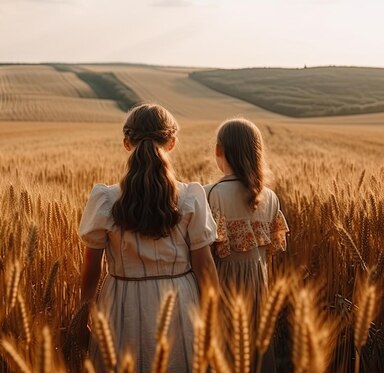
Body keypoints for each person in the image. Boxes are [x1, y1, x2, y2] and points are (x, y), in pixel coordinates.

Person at [78, 103, 219, 372]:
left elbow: (91, 267)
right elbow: (205, 266)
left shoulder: (105, 199)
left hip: (121, 300)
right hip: (179, 300)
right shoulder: (191, 196)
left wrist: (82, 313)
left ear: (126, 143)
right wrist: (216, 314)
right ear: (172, 142)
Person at [204, 118, 289, 359]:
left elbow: (203, 250)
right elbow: (271, 251)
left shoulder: (210, 194)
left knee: (224, 353)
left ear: (219, 151)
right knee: (253, 350)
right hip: (258, 286)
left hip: (222, 285)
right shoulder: (270, 197)